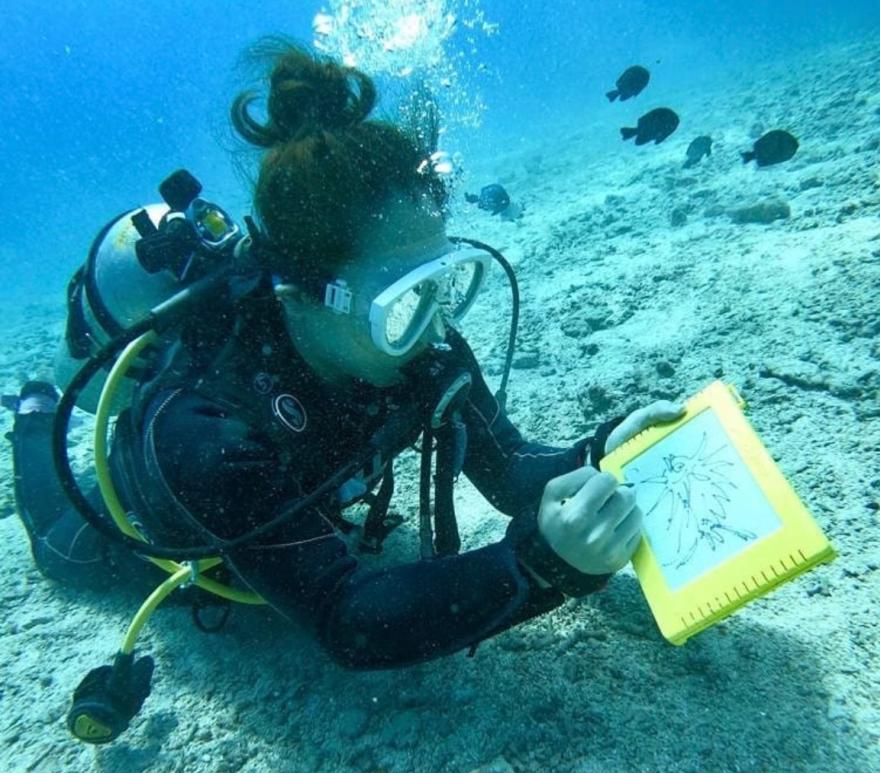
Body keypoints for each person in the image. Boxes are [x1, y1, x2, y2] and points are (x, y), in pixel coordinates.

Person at [7, 43, 683, 676]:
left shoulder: (416, 340)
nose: (435, 325)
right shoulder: (207, 431)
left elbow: (508, 469)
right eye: (404, 298)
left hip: (298, 503)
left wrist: (597, 454)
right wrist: (536, 567)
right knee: (58, 546)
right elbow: (345, 617)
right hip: (154, 516)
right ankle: (34, 413)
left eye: (443, 281)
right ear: (301, 296)